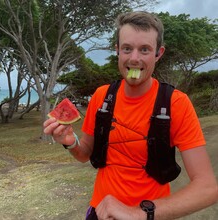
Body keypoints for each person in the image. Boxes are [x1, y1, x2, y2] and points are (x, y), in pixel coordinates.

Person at [43, 11, 218, 220]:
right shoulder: (102, 97)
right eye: (127, 48)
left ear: (158, 53)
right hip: (100, 211)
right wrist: (70, 142)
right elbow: (84, 155)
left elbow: (207, 189)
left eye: (145, 49)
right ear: (118, 50)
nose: (134, 58)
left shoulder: (176, 103)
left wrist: (137, 213)